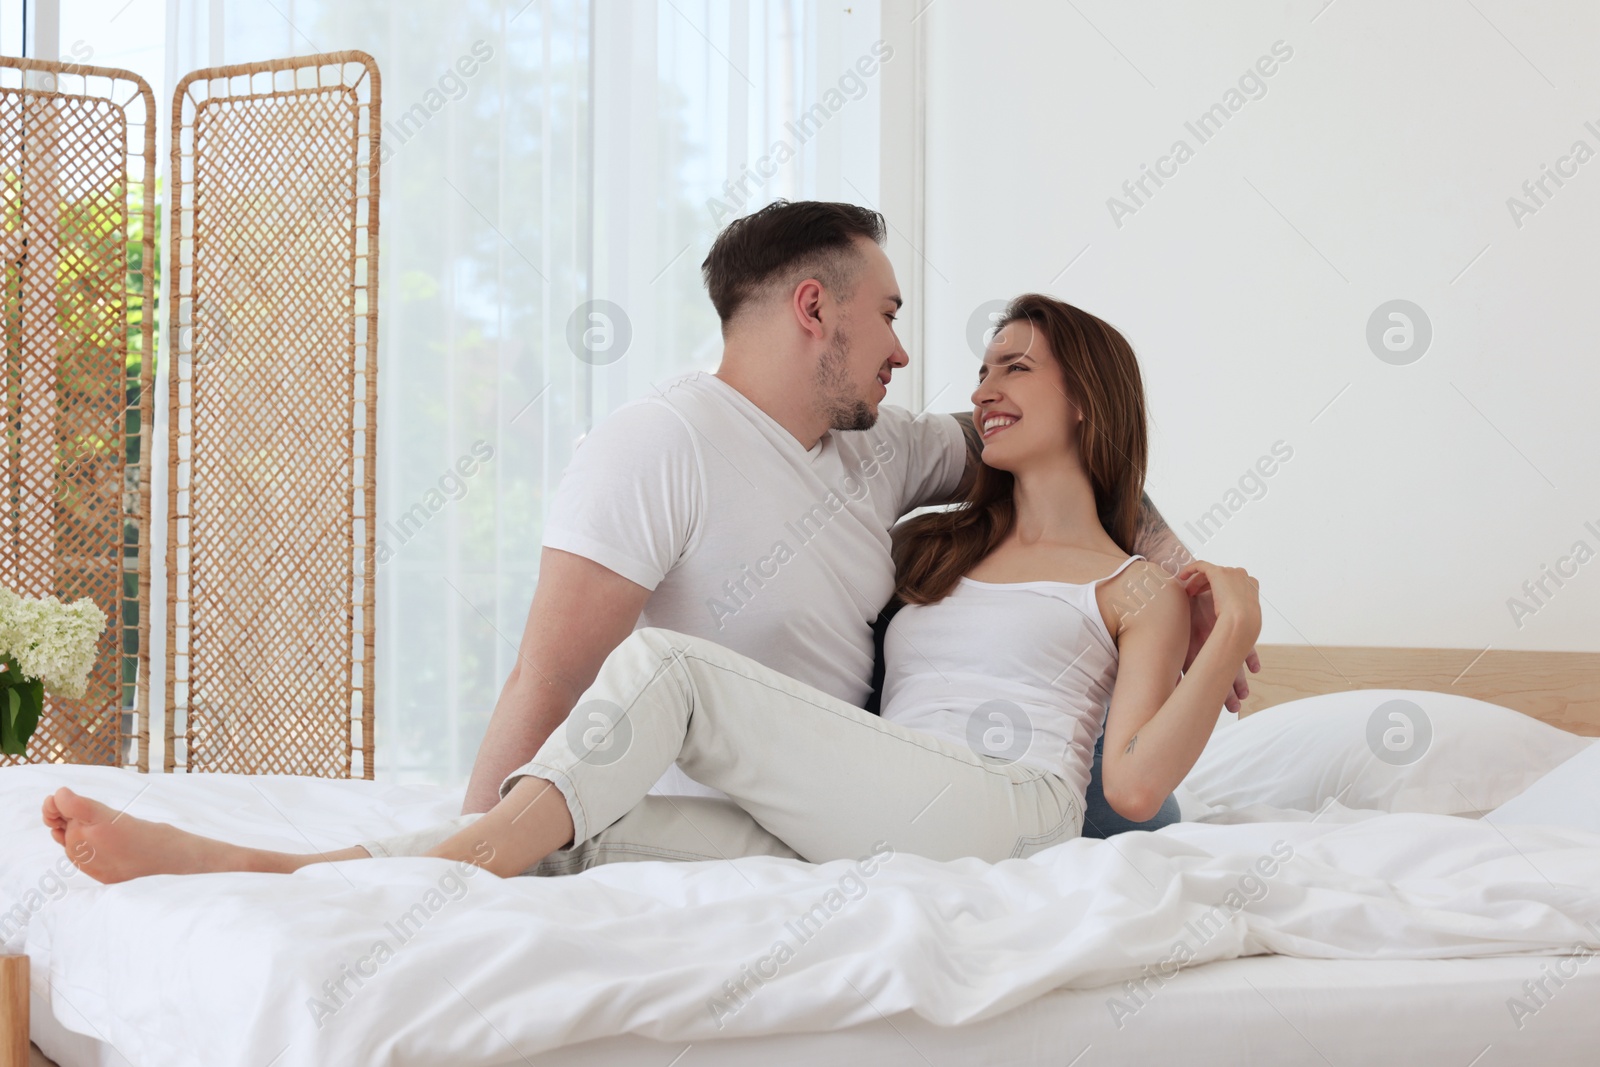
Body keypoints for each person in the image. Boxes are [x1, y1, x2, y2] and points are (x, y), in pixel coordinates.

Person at [44, 293, 1260, 883]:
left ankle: (455, 871)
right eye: (980, 365)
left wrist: (1231, 615)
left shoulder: (1135, 590)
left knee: (671, 670)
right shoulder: (936, 533)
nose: (980, 386)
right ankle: (267, 869)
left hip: (1010, 816)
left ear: (1086, 399)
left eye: (1016, 367)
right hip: (884, 812)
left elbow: (1137, 781)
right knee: (593, 832)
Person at [452, 199, 1253, 838]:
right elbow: (550, 676)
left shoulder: (885, 450)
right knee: (563, 827)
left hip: (924, 801)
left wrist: (1184, 582)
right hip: (765, 803)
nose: (905, 356)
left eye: (1008, 368)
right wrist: (463, 846)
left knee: (1131, 814)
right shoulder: (658, 443)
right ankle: (421, 867)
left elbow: (1060, 451)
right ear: (814, 308)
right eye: (890, 315)